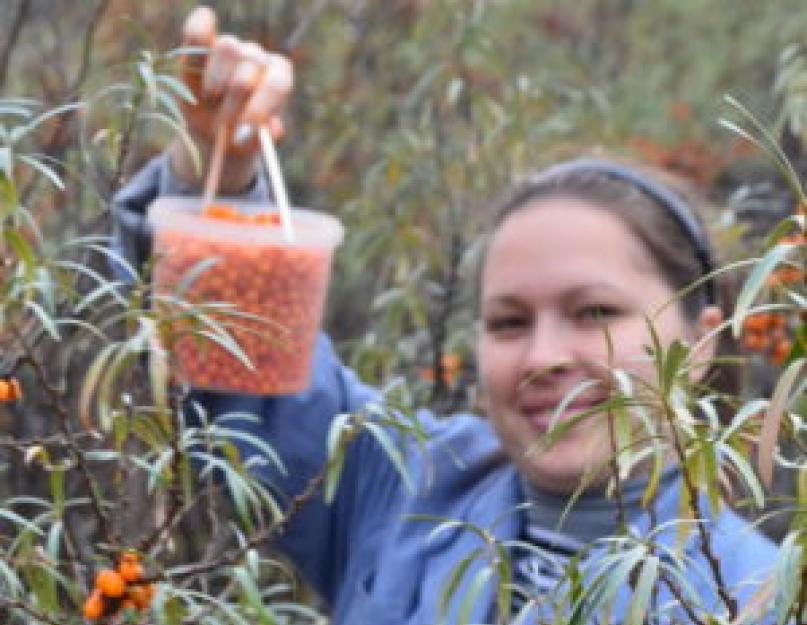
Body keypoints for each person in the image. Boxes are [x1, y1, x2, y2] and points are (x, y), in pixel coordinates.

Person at [112, 7, 778, 625]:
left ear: (700, 341)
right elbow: (246, 373)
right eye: (508, 321)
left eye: (595, 311)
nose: (543, 355)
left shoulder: (765, 596)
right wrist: (217, 178)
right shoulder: (407, 489)